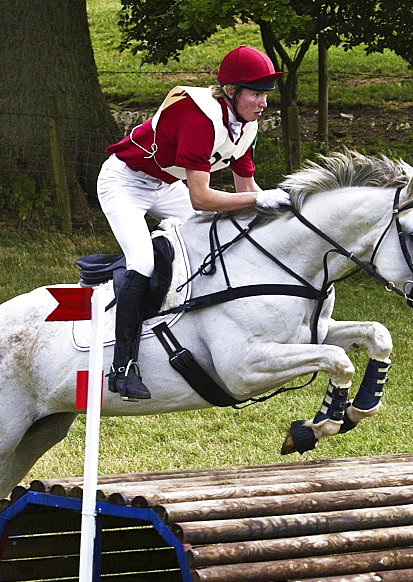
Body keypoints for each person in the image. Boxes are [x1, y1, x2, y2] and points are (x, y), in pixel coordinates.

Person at [97, 45, 290, 401]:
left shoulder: (245, 125)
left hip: (165, 186)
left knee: (225, 233)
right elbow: (202, 199)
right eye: (256, 94)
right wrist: (260, 199)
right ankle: (122, 368)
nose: (263, 103)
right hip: (124, 182)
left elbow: (245, 189)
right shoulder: (199, 117)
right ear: (231, 92)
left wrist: (283, 214)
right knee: (142, 261)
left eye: (265, 95)